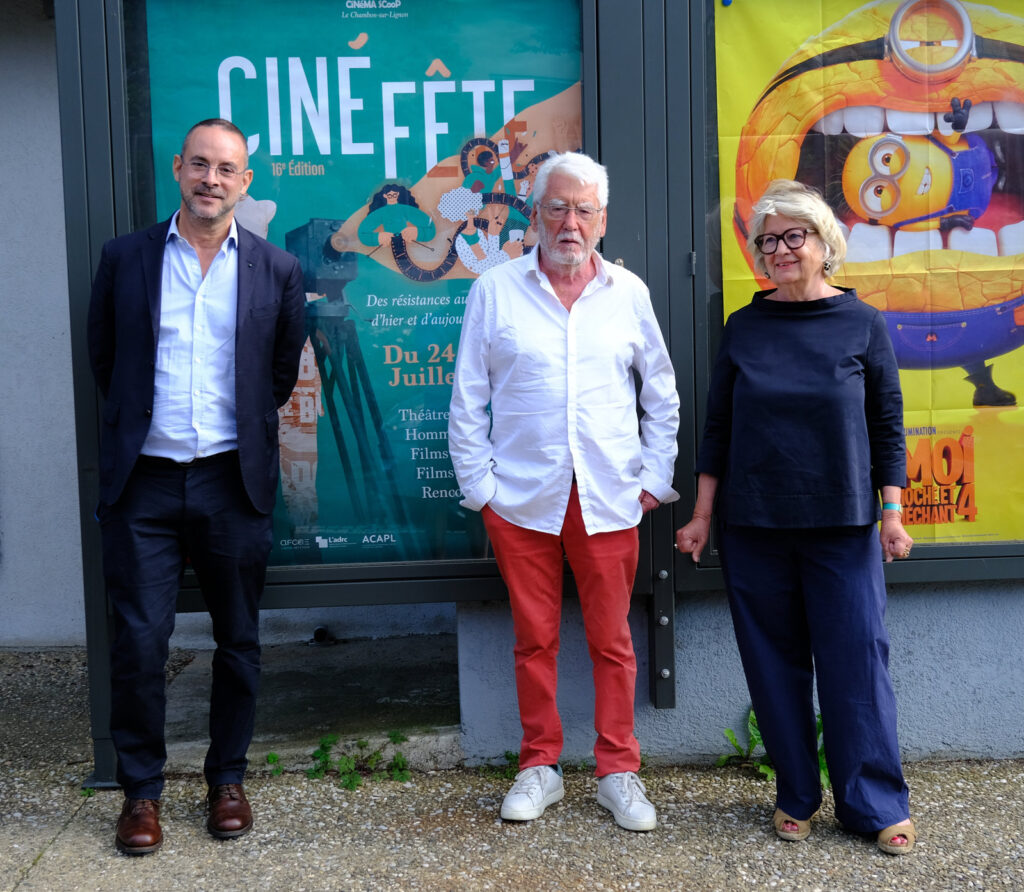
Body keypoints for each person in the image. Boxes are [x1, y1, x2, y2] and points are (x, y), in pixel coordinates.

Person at [675, 180, 917, 855]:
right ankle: (796, 793)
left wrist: (892, 514)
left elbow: (888, 427)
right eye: (768, 240)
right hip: (754, 527)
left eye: (793, 236)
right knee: (773, 665)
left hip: (842, 524)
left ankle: (874, 802)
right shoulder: (744, 326)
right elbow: (718, 428)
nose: (780, 249)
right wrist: (701, 515)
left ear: (823, 243)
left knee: (857, 664)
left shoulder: (862, 323)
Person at [88, 118, 306, 854]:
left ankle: (228, 781)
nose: (212, 179)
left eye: (227, 169)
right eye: (201, 165)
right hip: (144, 484)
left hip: (230, 481)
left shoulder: (277, 269)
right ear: (178, 168)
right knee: (139, 642)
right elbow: (105, 360)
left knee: (238, 640)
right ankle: (141, 793)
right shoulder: (125, 259)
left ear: (246, 182)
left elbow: (278, 375)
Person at [448, 151, 680, 831]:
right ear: (535, 214)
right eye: (557, 208)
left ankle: (618, 771)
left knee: (613, 641)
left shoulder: (628, 293)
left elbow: (661, 395)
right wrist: (481, 491)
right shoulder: (495, 290)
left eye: (583, 210)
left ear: (602, 219)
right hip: (520, 499)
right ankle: (539, 766)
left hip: (609, 497)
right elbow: (467, 398)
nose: (569, 223)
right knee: (533, 641)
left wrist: (654, 479)